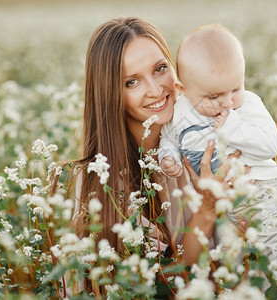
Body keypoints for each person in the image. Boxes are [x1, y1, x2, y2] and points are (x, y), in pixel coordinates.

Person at [71, 17, 239, 294]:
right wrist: (208, 207)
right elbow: (167, 288)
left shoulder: (204, 143)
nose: (156, 89)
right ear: (110, 94)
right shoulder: (98, 185)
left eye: (160, 69)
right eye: (132, 82)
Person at [158, 24, 277, 264]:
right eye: (215, 96)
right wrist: (168, 157)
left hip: (260, 194)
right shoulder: (180, 112)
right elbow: (168, 138)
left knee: (275, 259)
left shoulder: (247, 105)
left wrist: (234, 128)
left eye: (236, 88)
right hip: (220, 206)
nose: (228, 102)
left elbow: (271, 145)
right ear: (183, 90)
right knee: (234, 265)